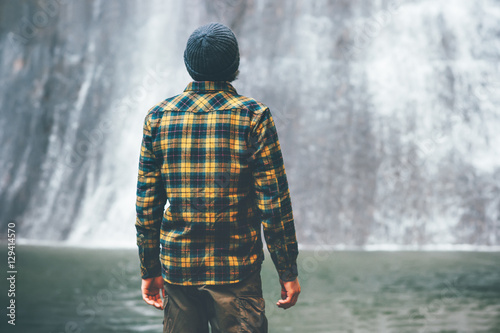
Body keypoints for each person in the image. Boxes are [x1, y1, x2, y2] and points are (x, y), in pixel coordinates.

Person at [135, 22, 300, 333]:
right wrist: (287, 270)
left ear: (188, 64)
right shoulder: (254, 116)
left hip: (178, 271)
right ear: (234, 65)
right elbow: (274, 204)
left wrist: (149, 268)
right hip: (236, 273)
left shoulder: (158, 117)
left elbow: (147, 206)